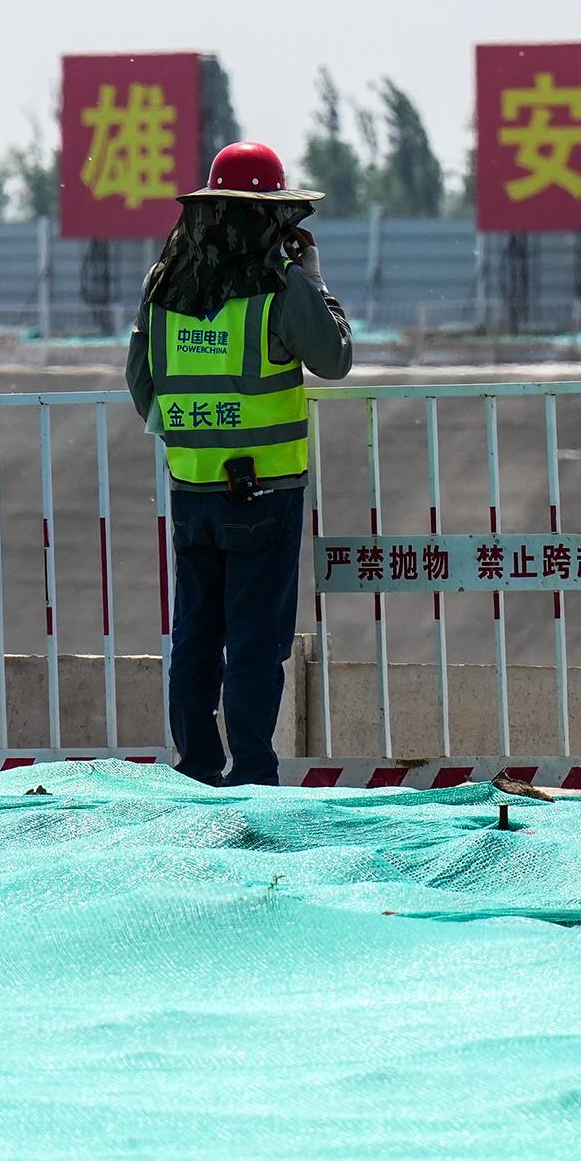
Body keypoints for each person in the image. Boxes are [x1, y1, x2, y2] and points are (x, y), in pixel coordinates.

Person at [123, 141, 351, 786]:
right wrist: (314, 278)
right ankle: (252, 775)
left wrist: (194, 439)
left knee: (195, 638)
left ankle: (195, 768)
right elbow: (334, 358)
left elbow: (143, 381)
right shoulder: (278, 287)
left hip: (192, 490)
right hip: (265, 494)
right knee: (255, 645)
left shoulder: (164, 282)